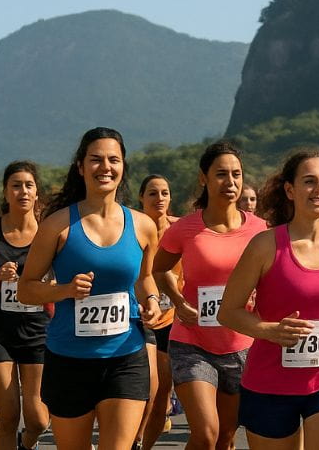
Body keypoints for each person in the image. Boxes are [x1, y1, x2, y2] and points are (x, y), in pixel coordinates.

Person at [219, 149, 319, 449]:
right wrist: (268, 330)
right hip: (270, 383)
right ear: (290, 190)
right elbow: (228, 311)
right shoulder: (265, 246)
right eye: (309, 181)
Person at [17, 127, 162, 450]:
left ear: (123, 166)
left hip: (125, 357)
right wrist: (64, 290)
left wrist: (151, 300)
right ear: (80, 166)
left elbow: (144, 278)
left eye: (113, 159)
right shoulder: (57, 225)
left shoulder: (143, 226)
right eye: (96, 160)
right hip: (69, 360)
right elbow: (26, 290)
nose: (105, 167)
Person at [154, 141, 267, 450]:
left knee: (226, 438)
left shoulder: (260, 229)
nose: (230, 183)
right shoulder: (185, 229)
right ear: (203, 178)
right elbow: (159, 270)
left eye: (236, 175)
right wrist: (179, 302)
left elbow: (271, 278)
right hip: (193, 343)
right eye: (221, 174)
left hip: (241, 346)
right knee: (206, 434)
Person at [0, 162, 51, 450]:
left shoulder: (50, 231)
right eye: (16, 185)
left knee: (38, 420)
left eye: (28, 185)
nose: (23, 191)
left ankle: (27, 442)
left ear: (36, 193)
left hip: (38, 330)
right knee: (7, 416)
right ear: (6, 192)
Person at [137, 174, 179, 449]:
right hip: (142, 317)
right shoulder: (134, 229)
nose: (159, 198)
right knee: (150, 388)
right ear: (142, 199)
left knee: (162, 389)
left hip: (175, 318)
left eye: (164, 192)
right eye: (153, 193)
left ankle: (141, 442)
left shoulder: (181, 229)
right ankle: (136, 437)